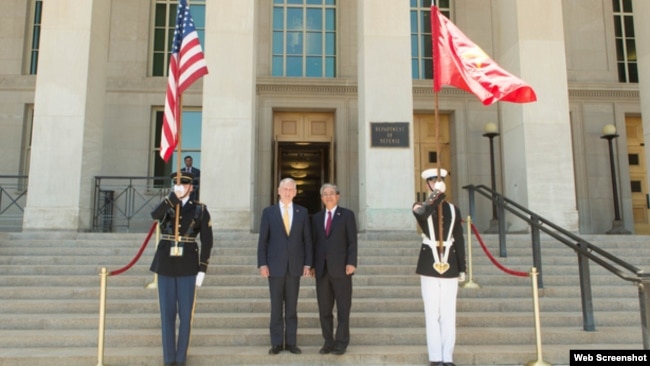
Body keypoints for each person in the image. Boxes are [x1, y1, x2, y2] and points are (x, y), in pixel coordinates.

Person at [150, 171, 213, 366]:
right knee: (167, 314)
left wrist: (202, 268)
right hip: (166, 263)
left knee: (185, 315)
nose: (181, 188)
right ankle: (169, 358)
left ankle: (180, 357)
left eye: (184, 185)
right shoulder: (168, 204)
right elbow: (155, 215)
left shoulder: (200, 210)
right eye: (177, 185)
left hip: (188, 264)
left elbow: (207, 241)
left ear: (191, 188)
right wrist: (172, 199)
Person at [412, 168, 466, 366]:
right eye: (433, 181)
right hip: (429, 264)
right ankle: (435, 357)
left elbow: (459, 239)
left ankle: (448, 356)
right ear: (427, 185)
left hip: (449, 263)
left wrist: (462, 267)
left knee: (448, 313)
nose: (437, 182)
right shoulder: (419, 206)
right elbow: (424, 212)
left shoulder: (453, 209)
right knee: (432, 313)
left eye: (440, 180)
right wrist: (436, 195)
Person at [257, 177, 313, 355]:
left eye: (291, 189)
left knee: (291, 308)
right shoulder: (268, 212)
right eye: (285, 189)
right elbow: (263, 241)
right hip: (274, 267)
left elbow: (307, 240)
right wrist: (262, 264)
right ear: (278, 191)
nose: (288, 192)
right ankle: (276, 343)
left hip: (295, 267)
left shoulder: (302, 212)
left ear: (295, 192)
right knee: (276, 307)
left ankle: (291, 342)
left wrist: (308, 263)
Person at [311, 183, 357, 355]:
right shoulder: (316, 218)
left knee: (343, 310)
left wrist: (351, 262)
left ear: (338, 196)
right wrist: (313, 265)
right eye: (325, 194)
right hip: (322, 271)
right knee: (324, 310)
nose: (328, 196)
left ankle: (341, 342)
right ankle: (328, 341)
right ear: (321, 198)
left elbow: (352, 241)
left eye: (331, 193)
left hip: (342, 270)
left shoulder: (347, 215)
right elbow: (314, 243)